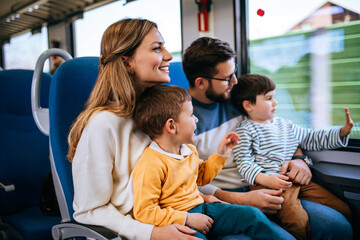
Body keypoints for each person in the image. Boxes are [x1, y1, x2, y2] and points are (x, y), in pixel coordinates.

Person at [182, 36, 353, 240]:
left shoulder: (238, 97)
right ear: (201, 82)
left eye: (234, 72)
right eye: (228, 78)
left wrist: (299, 159)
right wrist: (243, 198)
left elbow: (276, 129)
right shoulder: (183, 117)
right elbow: (188, 180)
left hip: (272, 183)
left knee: (338, 226)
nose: (235, 81)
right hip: (227, 197)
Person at [68, 18, 202, 240]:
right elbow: (89, 209)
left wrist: (222, 196)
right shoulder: (103, 124)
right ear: (127, 62)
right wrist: (152, 233)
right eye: (157, 48)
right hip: (138, 231)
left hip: (177, 215)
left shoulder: (157, 115)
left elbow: (179, 178)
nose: (168, 56)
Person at [132, 84, 285, 240]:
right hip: (178, 220)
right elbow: (145, 212)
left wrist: (220, 154)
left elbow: (201, 177)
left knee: (252, 214)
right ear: (172, 126)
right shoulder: (151, 164)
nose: (196, 119)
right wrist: (187, 218)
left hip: (203, 207)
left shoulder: (189, 150)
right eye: (191, 115)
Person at [231, 73, 353, 240]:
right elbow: (244, 162)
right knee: (297, 220)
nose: (275, 102)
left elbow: (311, 138)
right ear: (248, 105)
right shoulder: (245, 130)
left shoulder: (285, 125)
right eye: (268, 98)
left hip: (295, 181)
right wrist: (267, 179)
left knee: (342, 208)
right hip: (269, 186)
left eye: (274, 97)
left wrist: (340, 132)